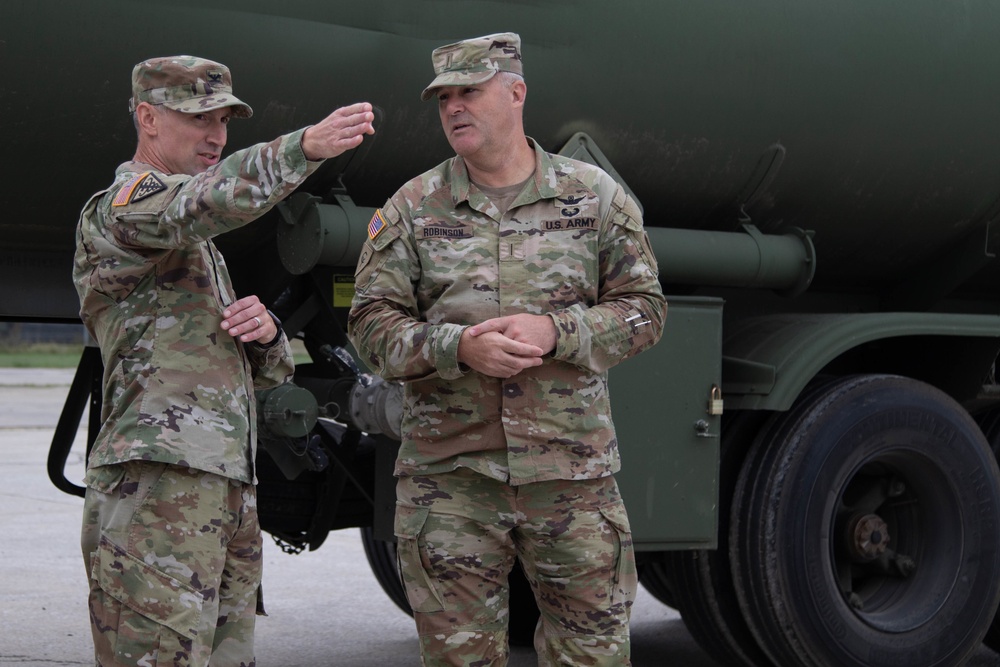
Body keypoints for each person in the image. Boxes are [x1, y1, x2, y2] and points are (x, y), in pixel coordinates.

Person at [348, 33, 666, 666]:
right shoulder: (412, 208)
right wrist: (455, 348)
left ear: (516, 93)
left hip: (571, 480)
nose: (454, 108)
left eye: (470, 91)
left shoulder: (593, 197)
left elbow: (646, 311)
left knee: (593, 655)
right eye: (444, 98)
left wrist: (559, 333)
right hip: (451, 484)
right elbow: (369, 328)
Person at [73, 55, 375, 666]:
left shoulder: (198, 248)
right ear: (148, 118)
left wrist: (264, 338)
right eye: (199, 117)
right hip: (157, 482)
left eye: (224, 120)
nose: (216, 135)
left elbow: (258, 377)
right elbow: (202, 202)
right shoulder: (127, 208)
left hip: (222, 485)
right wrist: (302, 149)